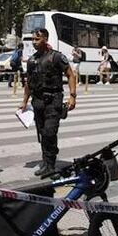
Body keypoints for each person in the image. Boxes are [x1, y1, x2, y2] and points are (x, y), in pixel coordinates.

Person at [19, 28, 77, 178]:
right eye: (32, 39)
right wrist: (24, 102)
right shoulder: (32, 60)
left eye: (37, 39)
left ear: (45, 39)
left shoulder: (56, 57)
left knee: (50, 132)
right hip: (38, 102)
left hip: (53, 100)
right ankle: (46, 163)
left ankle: (51, 165)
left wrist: (72, 96)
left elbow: (70, 75)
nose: (34, 42)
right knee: (43, 134)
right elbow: (29, 83)